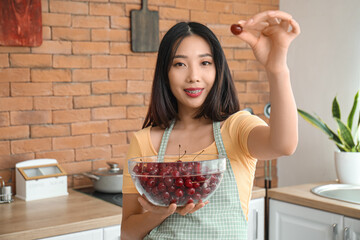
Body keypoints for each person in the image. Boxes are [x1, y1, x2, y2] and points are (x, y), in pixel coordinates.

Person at [121, 10, 300, 240]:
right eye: (179, 64)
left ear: (218, 70)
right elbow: (127, 233)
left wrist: (276, 68)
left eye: (205, 62)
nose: (194, 76)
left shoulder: (236, 128)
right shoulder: (145, 141)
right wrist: (160, 212)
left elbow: (284, 145)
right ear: (165, 74)